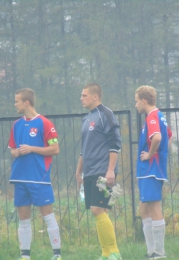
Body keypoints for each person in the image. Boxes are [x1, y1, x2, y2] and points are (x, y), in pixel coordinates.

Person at [8, 88, 61, 260]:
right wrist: (15, 152)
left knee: (48, 216)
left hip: (39, 178)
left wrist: (32, 149)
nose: (14, 104)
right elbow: (12, 147)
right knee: (23, 218)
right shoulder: (16, 124)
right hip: (20, 178)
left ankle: (56, 254)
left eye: (17, 101)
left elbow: (55, 149)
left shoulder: (45, 123)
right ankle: (25, 256)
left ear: (26, 102)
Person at [75, 83, 122, 260]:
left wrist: (111, 170)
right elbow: (84, 149)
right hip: (89, 171)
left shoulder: (106, 114)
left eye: (84, 95)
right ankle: (105, 253)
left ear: (95, 96)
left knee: (97, 210)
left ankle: (115, 252)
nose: (81, 98)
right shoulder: (87, 119)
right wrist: (79, 171)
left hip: (103, 170)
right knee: (100, 211)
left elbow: (115, 144)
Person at [135, 85, 172, 259]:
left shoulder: (152, 116)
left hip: (151, 170)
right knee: (143, 209)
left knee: (154, 208)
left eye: (136, 101)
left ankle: (159, 253)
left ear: (143, 101)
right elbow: (169, 136)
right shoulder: (159, 116)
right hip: (149, 170)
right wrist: (162, 154)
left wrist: (151, 155)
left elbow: (157, 137)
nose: (135, 105)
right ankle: (151, 251)